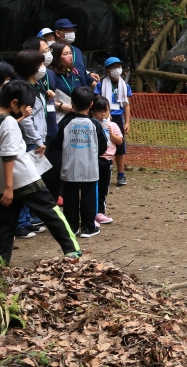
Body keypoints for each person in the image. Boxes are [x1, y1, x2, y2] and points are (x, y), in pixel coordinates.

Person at [0, 81, 81, 264]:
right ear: (14, 103)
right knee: (51, 213)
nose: (25, 111)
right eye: (24, 107)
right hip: (24, 179)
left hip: (5, 184)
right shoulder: (9, 124)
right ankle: (72, 249)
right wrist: (8, 187)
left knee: (6, 224)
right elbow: (8, 156)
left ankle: (1, 259)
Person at [56, 86, 106, 238]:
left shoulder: (65, 124)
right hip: (89, 168)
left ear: (72, 103)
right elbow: (103, 145)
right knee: (88, 199)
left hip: (70, 168)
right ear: (91, 104)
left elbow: (58, 144)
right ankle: (88, 227)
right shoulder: (95, 125)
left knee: (70, 199)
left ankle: (71, 227)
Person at [12, 48, 52, 237]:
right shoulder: (22, 87)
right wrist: (36, 140)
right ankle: (19, 223)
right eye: (40, 64)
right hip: (29, 141)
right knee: (25, 184)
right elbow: (26, 118)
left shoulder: (36, 85)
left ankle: (26, 220)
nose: (43, 68)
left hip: (38, 139)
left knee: (34, 180)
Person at [95, 57, 132, 186]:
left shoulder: (124, 85)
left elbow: (126, 104)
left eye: (119, 66)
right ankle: (101, 171)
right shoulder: (101, 84)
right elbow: (97, 101)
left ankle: (121, 174)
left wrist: (127, 122)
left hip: (118, 118)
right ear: (107, 70)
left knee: (120, 147)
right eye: (113, 67)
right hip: (104, 117)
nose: (117, 69)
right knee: (103, 143)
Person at [90, 96, 120, 224]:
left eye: (106, 111)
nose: (103, 114)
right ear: (93, 112)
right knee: (92, 188)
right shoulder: (91, 124)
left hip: (107, 160)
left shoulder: (112, 125)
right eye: (99, 111)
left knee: (103, 187)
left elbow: (120, 141)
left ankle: (100, 212)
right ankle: (91, 213)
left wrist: (112, 134)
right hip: (94, 159)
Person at [53, 18, 99, 85]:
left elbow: (82, 72)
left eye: (72, 30)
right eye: (67, 30)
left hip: (81, 91)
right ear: (57, 33)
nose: (71, 33)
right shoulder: (52, 51)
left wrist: (95, 85)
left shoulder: (77, 51)